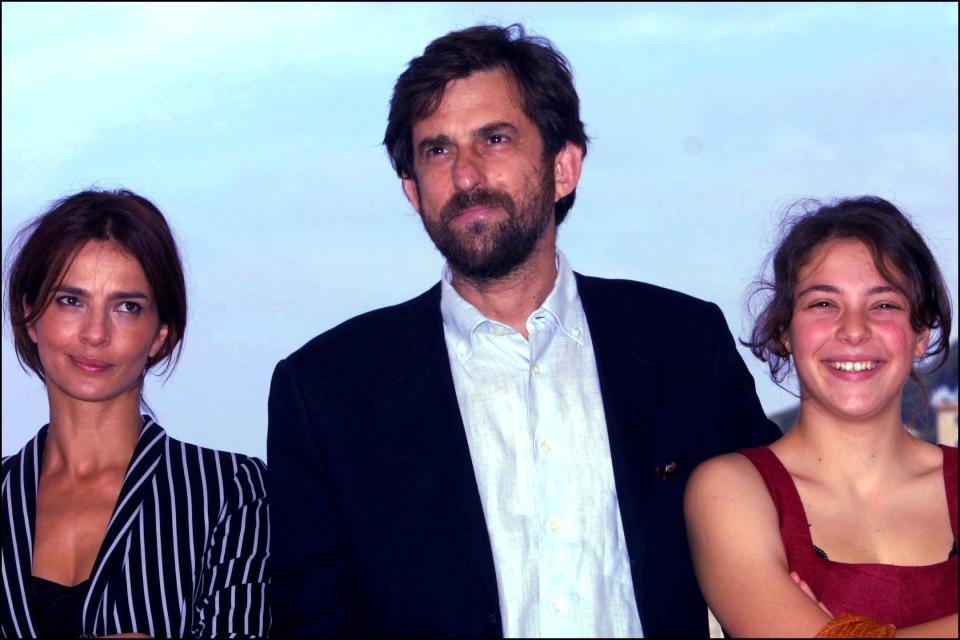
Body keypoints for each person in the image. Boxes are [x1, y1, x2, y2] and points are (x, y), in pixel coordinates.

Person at [268, 24, 779, 637]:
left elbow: (781, 539)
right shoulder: (326, 391)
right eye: (437, 150)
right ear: (411, 191)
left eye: (495, 138)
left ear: (563, 166)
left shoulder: (682, 345)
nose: (465, 175)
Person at [1, 189, 271, 638]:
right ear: (30, 316)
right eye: (71, 300)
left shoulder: (230, 493)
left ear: (161, 333)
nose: (95, 334)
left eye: (127, 307)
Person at [684, 196, 958, 637]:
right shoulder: (731, 490)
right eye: (823, 304)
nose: (853, 329)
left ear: (921, 334)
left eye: (884, 304)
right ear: (783, 331)